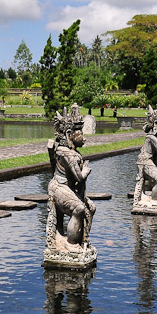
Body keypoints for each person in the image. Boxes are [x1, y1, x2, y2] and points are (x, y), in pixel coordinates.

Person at [48, 104, 95, 249]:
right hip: (59, 188)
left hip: (67, 188)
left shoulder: (71, 152)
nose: (83, 138)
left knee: (91, 207)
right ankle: (70, 243)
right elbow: (79, 177)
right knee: (79, 208)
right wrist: (86, 170)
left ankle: (82, 240)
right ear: (69, 134)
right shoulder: (67, 154)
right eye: (80, 133)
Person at [136, 103, 157, 203]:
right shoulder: (152, 138)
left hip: (146, 161)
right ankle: (153, 201)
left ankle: (154, 199)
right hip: (144, 161)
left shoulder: (154, 137)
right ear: (155, 125)